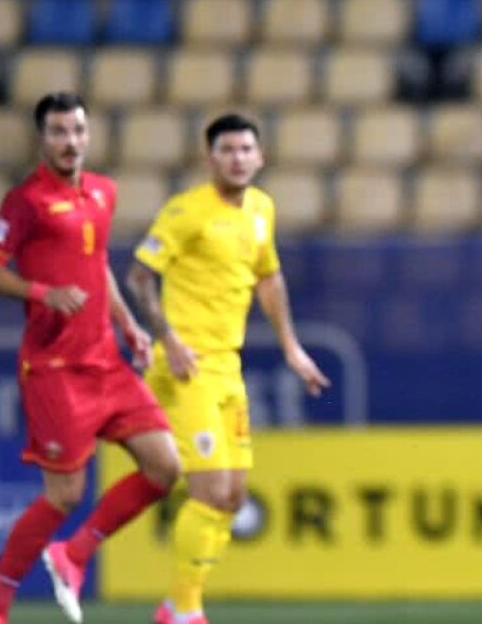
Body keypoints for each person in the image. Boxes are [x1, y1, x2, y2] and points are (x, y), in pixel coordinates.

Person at [0, 92, 180, 624]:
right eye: (60, 132)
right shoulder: (26, 202)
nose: (71, 142)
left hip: (106, 362)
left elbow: (97, 262)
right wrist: (42, 293)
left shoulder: (103, 193)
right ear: (43, 139)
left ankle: (74, 554)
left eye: (78, 131)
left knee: (165, 466)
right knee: (63, 495)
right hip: (55, 370)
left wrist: (128, 322)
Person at [126, 114, 330, 624]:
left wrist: (291, 347)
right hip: (186, 365)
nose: (238, 157)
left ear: (259, 157)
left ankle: (175, 603)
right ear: (209, 157)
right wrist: (167, 339)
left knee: (234, 496)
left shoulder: (262, 209)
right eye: (227, 150)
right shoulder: (186, 211)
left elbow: (269, 278)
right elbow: (139, 276)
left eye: (246, 149)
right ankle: (187, 610)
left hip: (227, 369)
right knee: (211, 490)